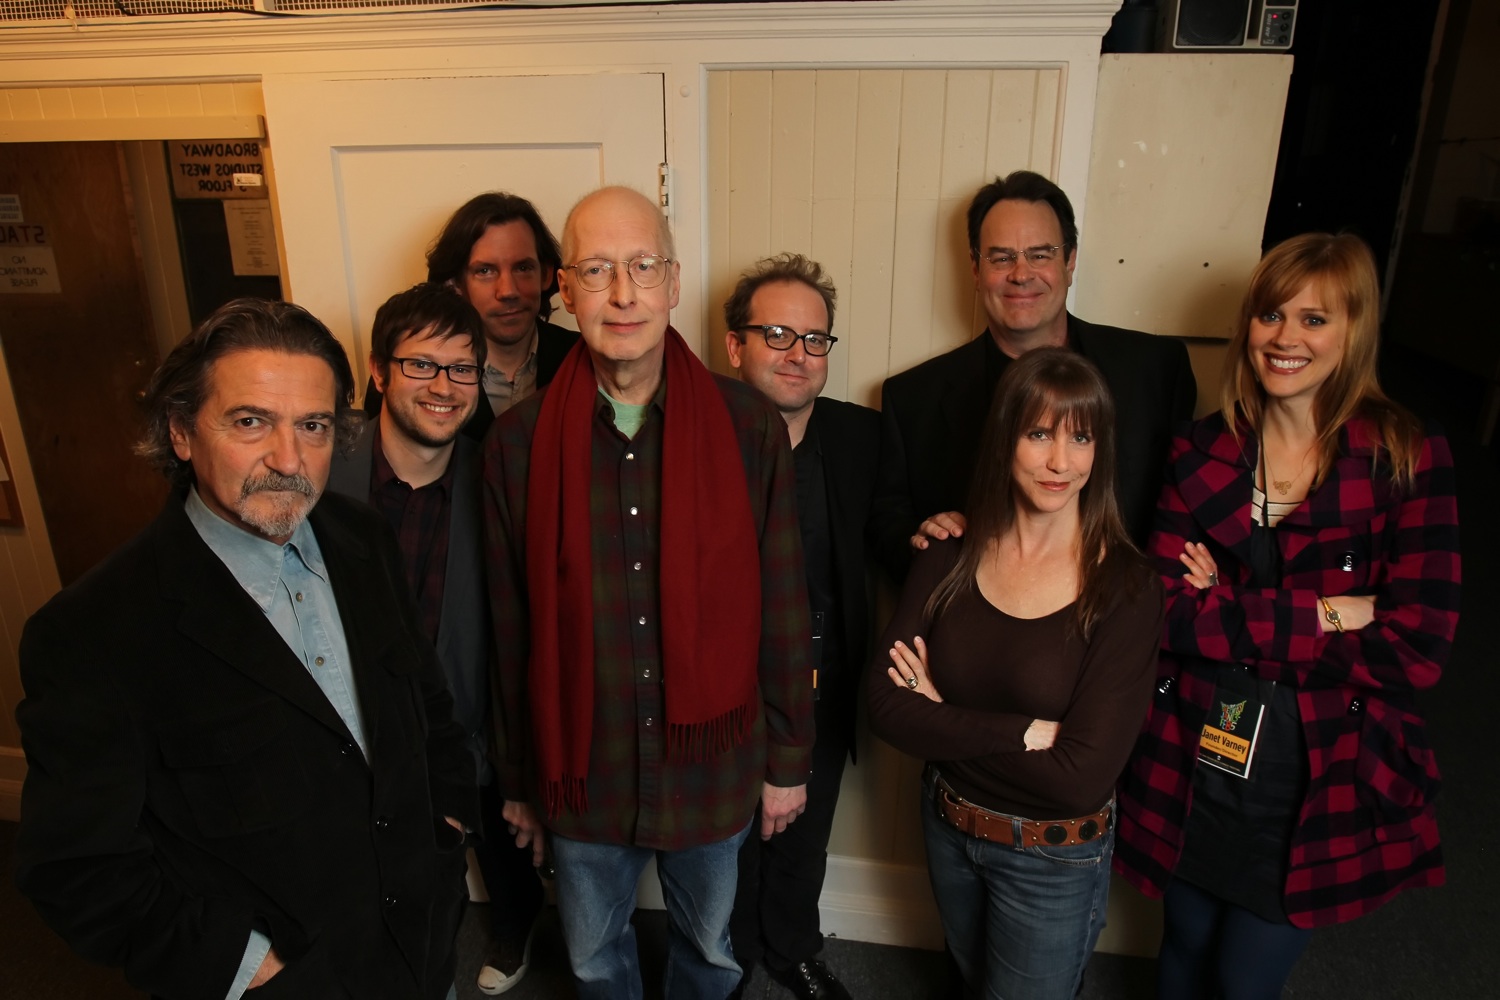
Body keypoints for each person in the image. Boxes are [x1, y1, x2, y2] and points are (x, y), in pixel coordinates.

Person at [13, 298, 479, 999]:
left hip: (422, 943)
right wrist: (247, 967)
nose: (289, 459)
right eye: (251, 421)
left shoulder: (364, 539)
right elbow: (77, 868)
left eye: (314, 426)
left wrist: (447, 827)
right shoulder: (91, 632)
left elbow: (426, 703)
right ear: (180, 432)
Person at [483, 186, 815, 1000]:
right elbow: (510, 629)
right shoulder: (517, 444)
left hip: (713, 767)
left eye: (641, 267)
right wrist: (521, 782)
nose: (624, 294)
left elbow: (782, 608)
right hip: (581, 772)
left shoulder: (748, 430)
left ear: (673, 280)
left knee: (711, 948)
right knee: (595, 956)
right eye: (597, 270)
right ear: (566, 291)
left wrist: (787, 763)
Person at [1113, 233, 1461, 999]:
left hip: (1322, 769)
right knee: (1184, 947)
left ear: (1354, 329)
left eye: (1315, 319)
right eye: (1272, 315)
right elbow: (1164, 616)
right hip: (1195, 750)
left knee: (1244, 980)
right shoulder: (1201, 450)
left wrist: (1230, 608)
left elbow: (1419, 647)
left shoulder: (1404, 453)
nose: (1286, 339)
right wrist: (1333, 615)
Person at [867, 347, 1163, 999]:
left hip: (1052, 858)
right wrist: (1027, 731)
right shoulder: (945, 549)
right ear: (1005, 438)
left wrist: (940, 715)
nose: (1061, 462)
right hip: (947, 829)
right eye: (1039, 435)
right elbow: (885, 707)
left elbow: (1080, 777)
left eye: (1080, 437)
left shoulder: (1127, 587)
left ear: (1099, 450)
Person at [330, 283, 542, 995]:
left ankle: (513, 931)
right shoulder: (324, 464)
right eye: (422, 366)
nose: (445, 387)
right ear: (378, 369)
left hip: (460, 729)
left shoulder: (499, 478)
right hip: (345, 729)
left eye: (462, 369)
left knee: (463, 890)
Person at [872, 170, 1196, 579]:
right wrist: (921, 538)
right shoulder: (912, 398)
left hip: (1124, 624)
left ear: (1070, 262)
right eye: (1002, 257)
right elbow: (888, 528)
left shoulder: (1156, 370)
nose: (1021, 274)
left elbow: (1186, 513)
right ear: (975, 268)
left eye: (1040, 254)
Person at [724, 254, 879, 1000]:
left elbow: (893, 536)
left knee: (804, 837)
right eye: (778, 333)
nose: (798, 354)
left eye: (815, 339)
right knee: (727, 839)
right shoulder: (692, 437)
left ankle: (790, 948)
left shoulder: (864, 439)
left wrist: (937, 529)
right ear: (735, 347)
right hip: (722, 687)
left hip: (826, 680)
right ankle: (722, 957)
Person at [365, 191, 581, 438]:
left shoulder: (584, 359)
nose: (508, 291)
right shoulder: (405, 377)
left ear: (546, 275)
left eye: (523, 268)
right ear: (456, 284)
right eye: (485, 271)